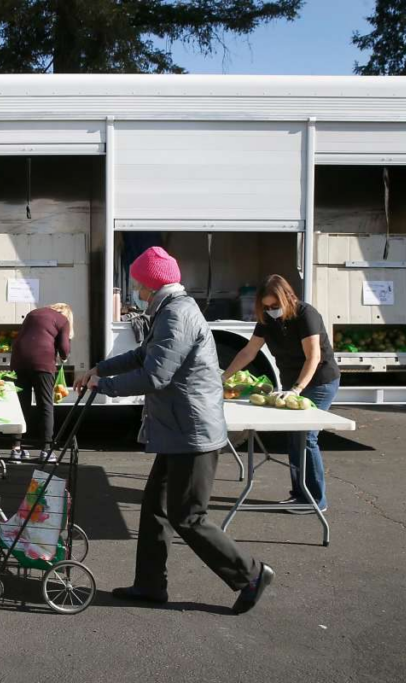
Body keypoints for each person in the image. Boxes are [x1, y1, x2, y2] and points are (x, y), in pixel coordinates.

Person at [76, 247, 273, 614]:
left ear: (152, 283)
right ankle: (150, 586)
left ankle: (251, 574)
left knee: (189, 517)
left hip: (193, 432)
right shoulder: (168, 310)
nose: (135, 288)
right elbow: (142, 357)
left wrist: (103, 387)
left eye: (138, 282)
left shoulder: (177, 315)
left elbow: (155, 375)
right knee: (155, 509)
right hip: (179, 430)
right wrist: (101, 369)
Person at [222, 274, 340, 513]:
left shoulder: (306, 314)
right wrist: (223, 377)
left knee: (306, 438)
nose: (271, 310)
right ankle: (299, 493)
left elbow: (313, 357)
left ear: (287, 298)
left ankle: (316, 500)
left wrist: (296, 390)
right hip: (291, 383)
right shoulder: (266, 319)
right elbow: (249, 351)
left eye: (275, 306)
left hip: (318, 382)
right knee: (294, 439)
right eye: (265, 307)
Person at [9, 303, 72, 462]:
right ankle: (46, 450)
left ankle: (16, 449)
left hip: (18, 361)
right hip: (42, 362)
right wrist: (64, 357)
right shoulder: (63, 320)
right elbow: (64, 348)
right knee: (45, 404)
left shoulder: (33, 313)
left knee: (20, 405)